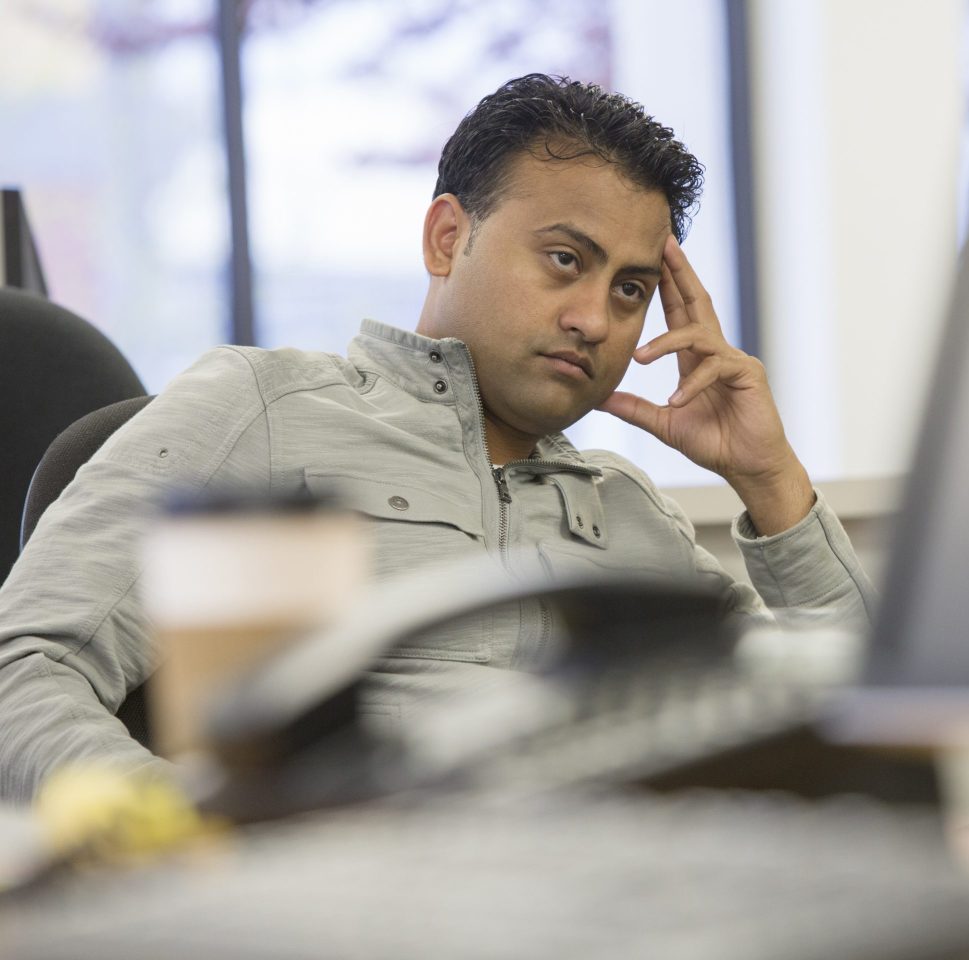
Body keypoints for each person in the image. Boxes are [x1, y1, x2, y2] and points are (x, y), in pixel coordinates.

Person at [0, 74, 875, 802]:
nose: (593, 320)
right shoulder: (264, 409)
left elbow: (869, 730)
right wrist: (191, 844)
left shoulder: (629, 509)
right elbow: (22, 670)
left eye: (632, 289)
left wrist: (772, 481)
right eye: (567, 259)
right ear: (448, 237)